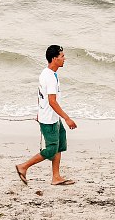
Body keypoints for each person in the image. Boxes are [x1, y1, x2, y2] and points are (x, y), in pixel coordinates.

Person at [16, 45, 77, 187]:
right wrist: (67, 118)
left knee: (60, 145)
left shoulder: (49, 73)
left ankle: (56, 177)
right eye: (62, 56)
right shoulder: (49, 77)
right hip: (49, 119)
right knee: (51, 150)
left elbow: (40, 95)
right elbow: (52, 101)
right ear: (54, 58)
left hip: (53, 117)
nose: (64, 58)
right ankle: (23, 167)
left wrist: (39, 111)